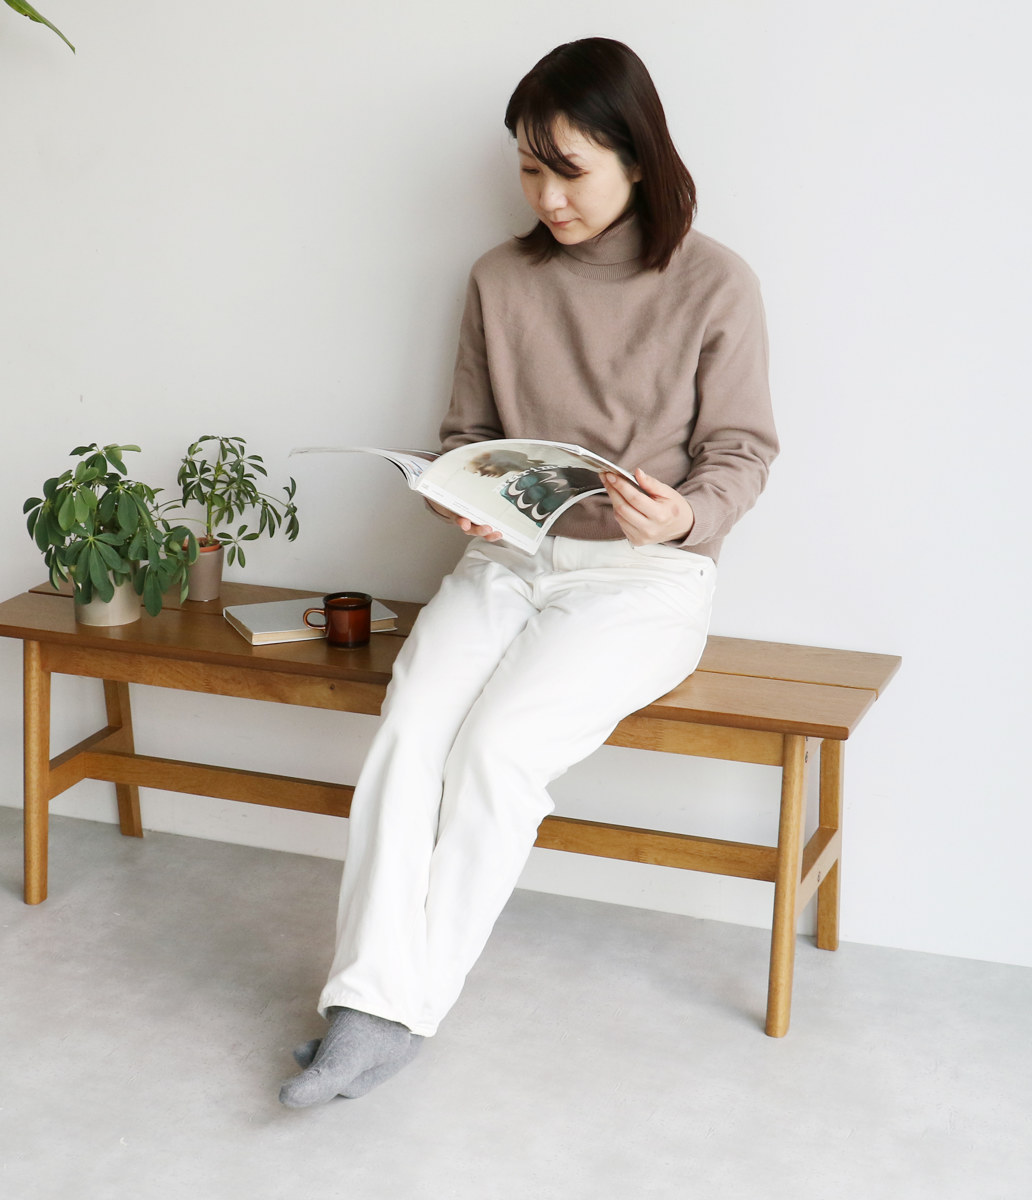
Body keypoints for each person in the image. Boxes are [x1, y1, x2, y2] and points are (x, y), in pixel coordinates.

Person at [279, 36, 778, 1108]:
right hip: (508, 559)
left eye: (569, 170)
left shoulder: (716, 282)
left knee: (499, 751)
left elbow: (743, 449)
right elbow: (467, 433)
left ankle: (400, 1013)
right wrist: (456, 490)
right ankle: (364, 1002)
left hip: (645, 579)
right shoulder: (499, 278)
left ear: (637, 157)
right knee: (411, 731)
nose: (547, 196)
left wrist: (687, 515)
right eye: (527, 168)